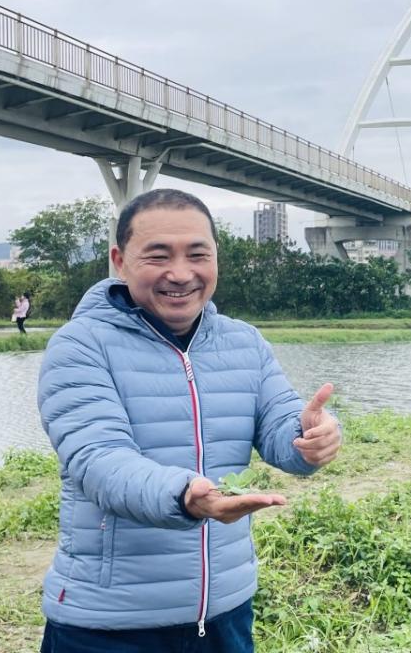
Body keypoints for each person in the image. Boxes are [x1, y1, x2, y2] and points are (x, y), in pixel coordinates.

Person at [37, 189, 341, 653]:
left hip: (224, 613)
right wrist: (186, 496)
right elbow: (99, 461)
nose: (180, 274)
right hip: (109, 624)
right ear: (120, 260)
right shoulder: (79, 346)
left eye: (198, 255)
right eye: (158, 256)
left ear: (216, 258)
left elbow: (280, 424)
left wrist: (309, 436)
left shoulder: (245, 342)